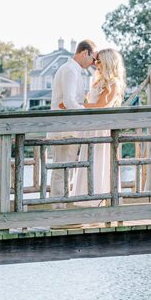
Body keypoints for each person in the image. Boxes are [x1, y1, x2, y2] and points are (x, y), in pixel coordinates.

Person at [48, 39, 97, 201]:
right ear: (85, 53)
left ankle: (63, 205)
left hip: (70, 127)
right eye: (93, 58)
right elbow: (69, 101)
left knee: (66, 170)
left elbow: (71, 102)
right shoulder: (69, 69)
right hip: (64, 128)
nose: (93, 63)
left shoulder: (74, 70)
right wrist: (86, 111)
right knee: (60, 170)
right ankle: (58, 208)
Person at [79, 49, 126, 201]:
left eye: (100, 62)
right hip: (91, 127)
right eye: (97, 61)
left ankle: (99, 201)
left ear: (108, 62)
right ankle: (85, 201)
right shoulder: (98, 80)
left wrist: (74, 106)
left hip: (101, 129)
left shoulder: (114, 83)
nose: (96, 64)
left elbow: (100, 105)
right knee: (88, 162)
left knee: (99, 164)